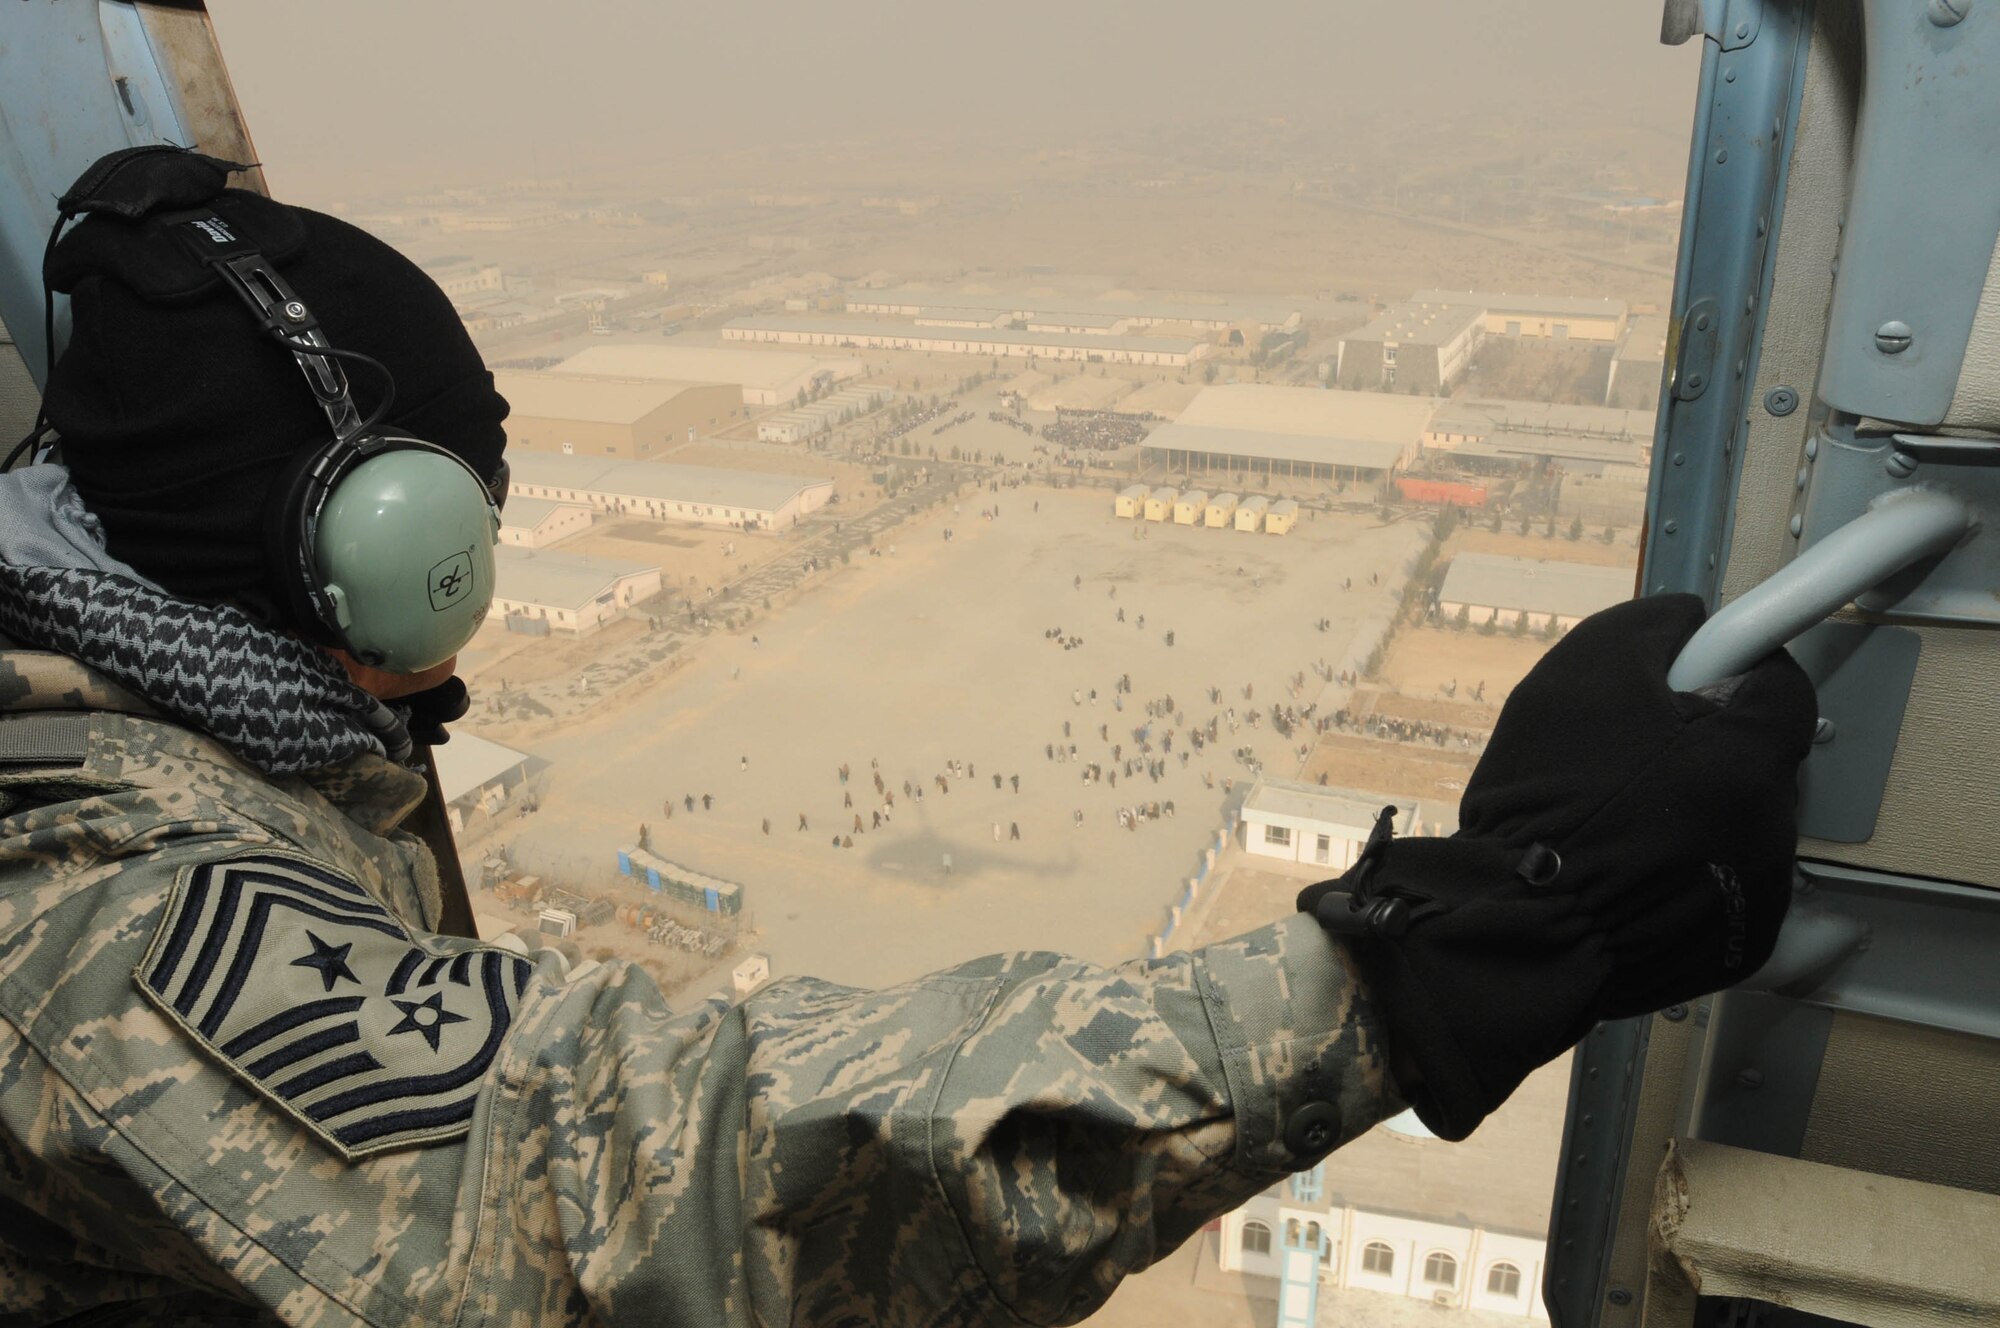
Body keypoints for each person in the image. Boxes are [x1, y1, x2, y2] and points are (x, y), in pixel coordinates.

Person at [0, 149, 1816, 1328]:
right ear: (357, 570)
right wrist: (1424, 972)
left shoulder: (174, 717)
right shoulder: (87, 918)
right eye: (462, 544)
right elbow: (647, 1181)